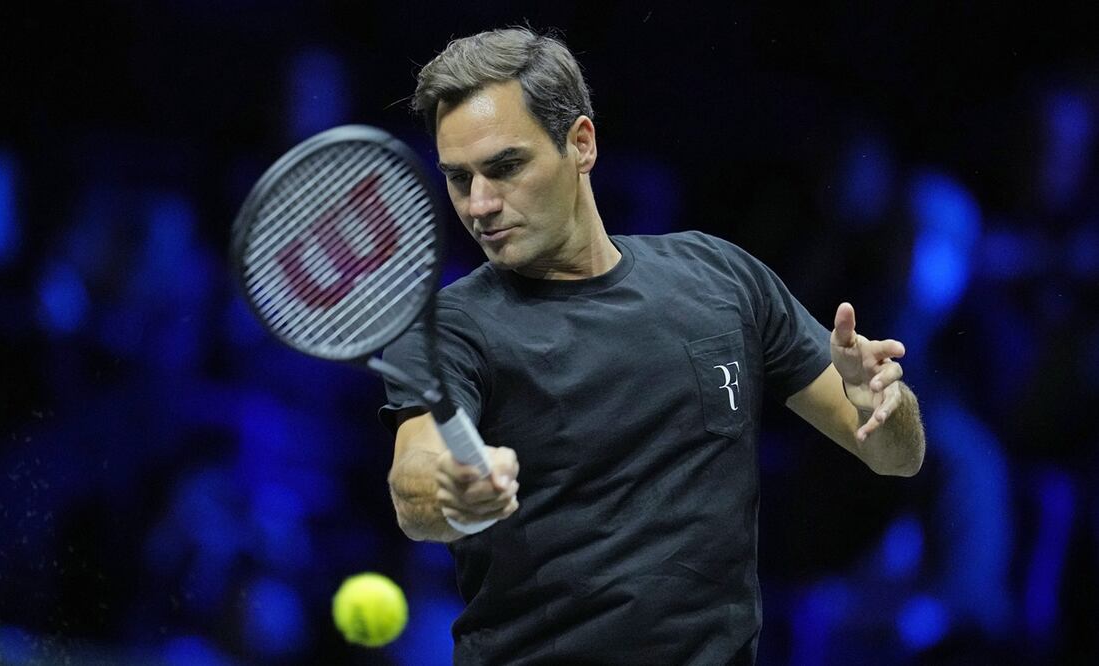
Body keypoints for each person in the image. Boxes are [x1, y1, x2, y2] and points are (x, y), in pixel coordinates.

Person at [379, 27, 925, 665]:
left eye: (505, 167)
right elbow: (415, 483)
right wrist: (450, 491)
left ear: (581, 144)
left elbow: (898, 456)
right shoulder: (451, 326)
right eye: (458, 178)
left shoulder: (722, 279)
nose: (480, 205)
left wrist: (880, 401)